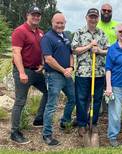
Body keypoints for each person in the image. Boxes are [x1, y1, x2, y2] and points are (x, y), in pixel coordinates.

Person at [10, 6, 48, 144]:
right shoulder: (19, 31)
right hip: (23, 71)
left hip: (36, 71)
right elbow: (16, 52)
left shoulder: (40, 32)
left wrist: (43, 65)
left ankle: (38, 119)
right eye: (33, 15)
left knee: (48, 91)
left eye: (38, 15)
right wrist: (21, 72)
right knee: (20, 101)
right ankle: (14, 132)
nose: (36, 17)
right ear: (28, 15)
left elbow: (43, 51)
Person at [71, 8, 108, 137]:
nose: (93, 19)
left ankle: (93, 122)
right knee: (81, 99)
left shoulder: (102, 33)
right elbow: (74, 50)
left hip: (98, 72)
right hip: (83, 73)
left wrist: (98, 50)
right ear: (86, 18)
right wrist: (89, 46)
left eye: (95, 17)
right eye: (91, 17)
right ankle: (82, 124)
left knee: (97, 99)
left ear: (98, 19)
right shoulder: (79, 32)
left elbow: (107, 51)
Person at [40, 12, 75, 146]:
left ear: (65, 23)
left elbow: (71, 54)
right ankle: (47, 134)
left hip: (66, 74)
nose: (60, 25)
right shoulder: (47, 38)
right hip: (54, 76)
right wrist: (63, 70)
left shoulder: (65, 36)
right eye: (57, 23)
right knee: (52, 105)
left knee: (73, 98)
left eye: (62, 23)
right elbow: (48, 59)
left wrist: (71, 67)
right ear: (52, 23)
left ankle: (64, 122)